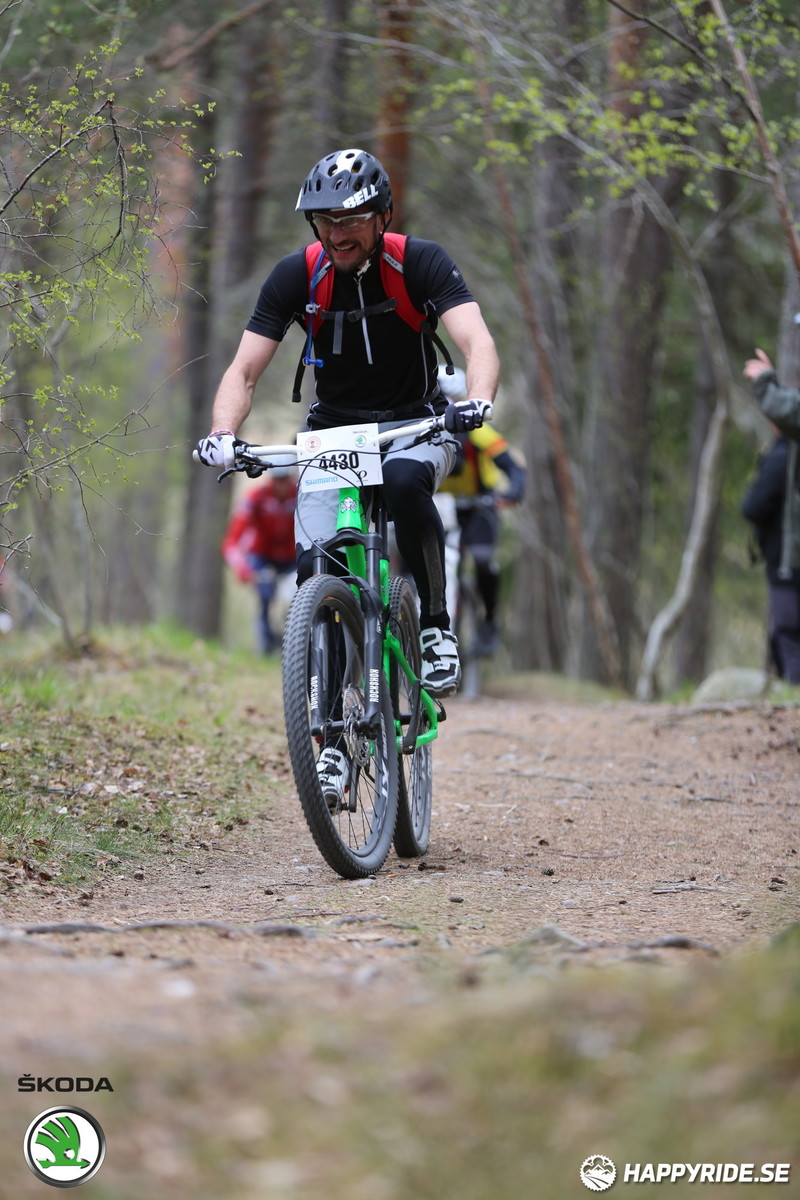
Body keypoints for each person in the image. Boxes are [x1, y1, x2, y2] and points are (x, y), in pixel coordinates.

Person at [195, 148, 499, 801]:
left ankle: (438, 628)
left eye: (352, 217)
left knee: (405, 482)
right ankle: (332, 744)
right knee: (321, 577)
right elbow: (243, 371)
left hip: (418, 422)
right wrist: (223, 434)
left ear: (382, 215)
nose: (338, 231)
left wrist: (474, 400)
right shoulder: (295, 276)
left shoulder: (419, 261)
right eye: (325, 219)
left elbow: (476, 340)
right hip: (334, 432)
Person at [436, 365, 526, 654]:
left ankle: (489, 621)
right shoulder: (422, 429)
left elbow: (512, 468)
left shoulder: (478, 431)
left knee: (484, 560)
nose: (445, 404)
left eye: (452, 397)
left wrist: (512, 492)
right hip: (439, 508)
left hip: (478, 505)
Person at [743, 348, 800, 682]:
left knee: (789, 633)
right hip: (783, 555)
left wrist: (766, 383)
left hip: (786, 559)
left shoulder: (782, 458)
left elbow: (752, 505)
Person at [222, 458, 297, 653]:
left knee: (298, 595)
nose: (281, 485)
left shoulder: (300, 495)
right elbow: (231, 544)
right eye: (276, 479)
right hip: (263, 556)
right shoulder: (255, 498)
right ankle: (264, 647)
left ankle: (296, 639)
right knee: (265, 594)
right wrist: (245, 570)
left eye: (285, 479)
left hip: (292, 557)